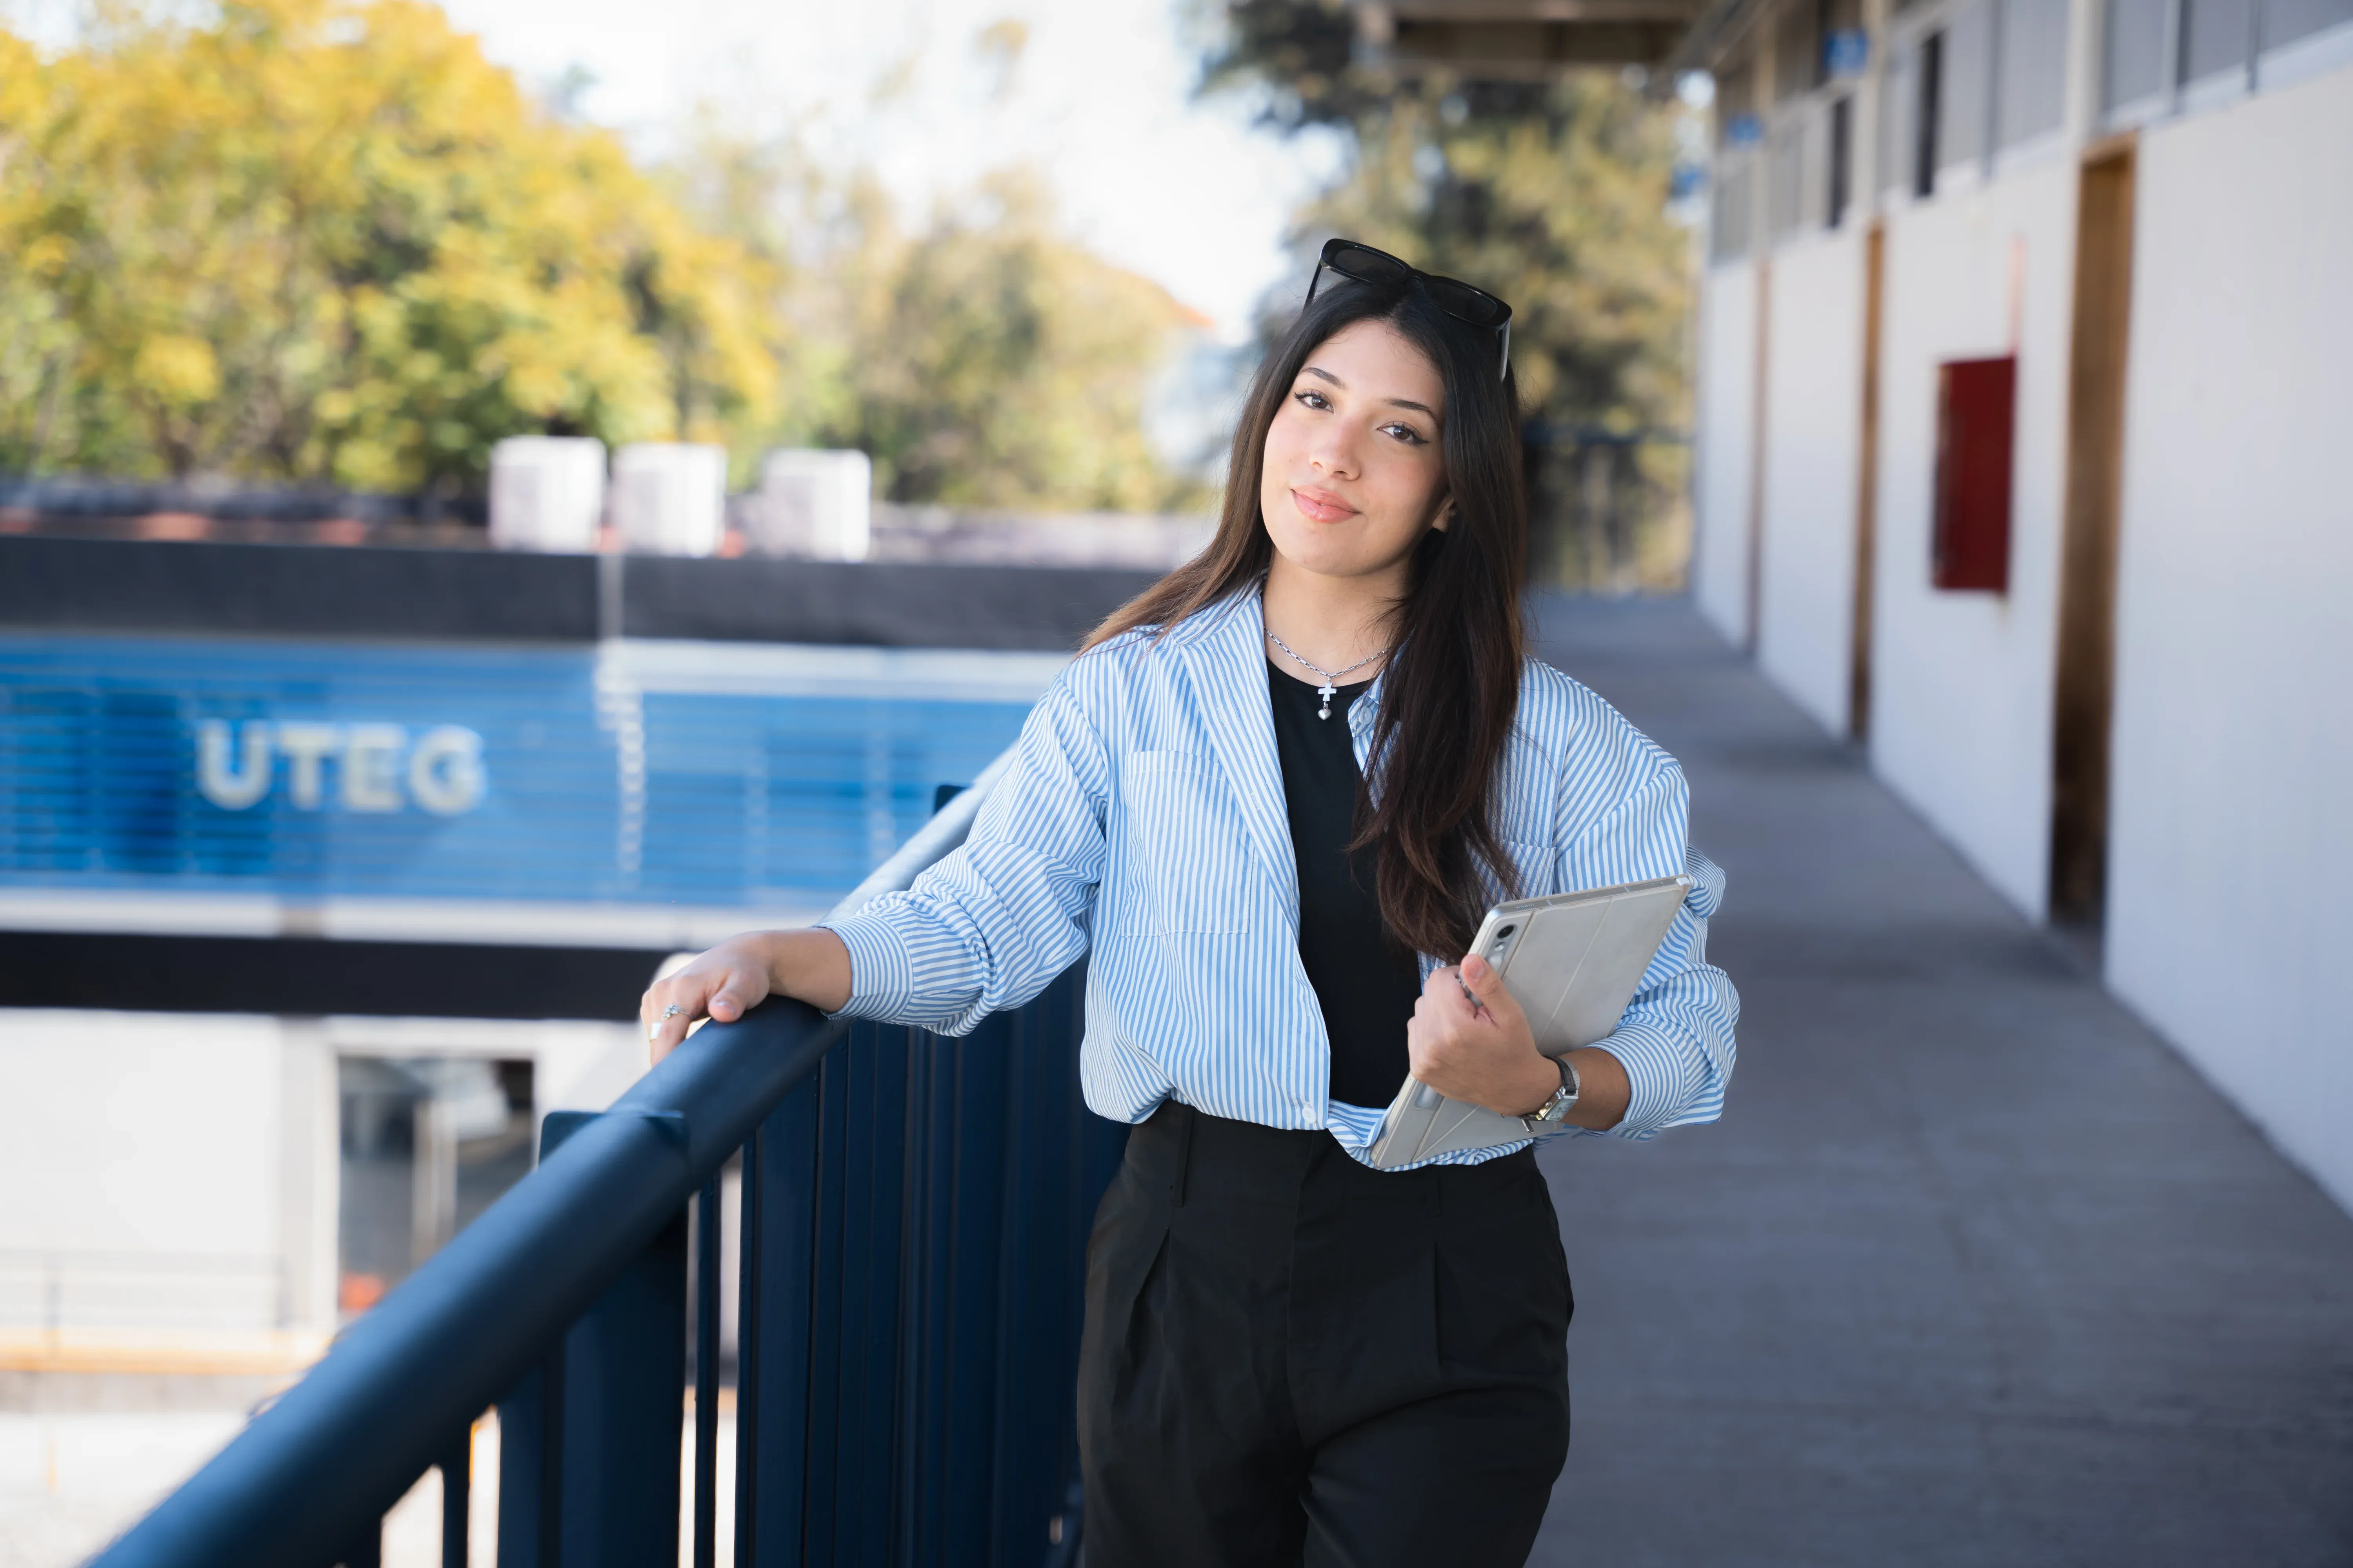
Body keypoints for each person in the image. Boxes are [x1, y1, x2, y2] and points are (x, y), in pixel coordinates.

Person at [642, 239, 1738, 1567]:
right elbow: (988, 925)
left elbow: (1691, 1030)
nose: (1335, 453)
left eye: (1400, 430)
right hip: (1187, 1256)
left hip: (1452, 1279)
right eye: (1314, 402)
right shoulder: (1129, 693)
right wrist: (780, 952)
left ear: (1455, 494)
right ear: (1266, 424)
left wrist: (1546, 1083)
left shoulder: (1566, 748)